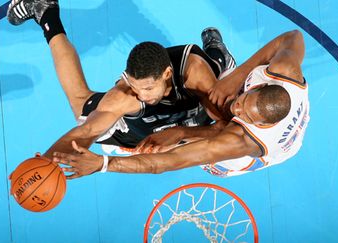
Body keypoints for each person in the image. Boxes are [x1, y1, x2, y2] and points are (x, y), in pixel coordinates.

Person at [53, 29, 310, 178]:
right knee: (221, 92)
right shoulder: (285, 70)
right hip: (259, 107)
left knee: (200, 129)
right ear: (265, 84)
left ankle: (219, 64)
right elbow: (292, 37)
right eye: (243, 99)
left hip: (257, 153)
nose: (237, 108)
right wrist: (238, 77)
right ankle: (221, 61)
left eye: (243, 114)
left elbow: (165, 163)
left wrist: (103, 164)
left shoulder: (239, 140)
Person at [7, 0, 236, 159]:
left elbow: (226, 127)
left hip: (195, 109)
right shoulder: (127, 94)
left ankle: (217, 53)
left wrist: (181, 133)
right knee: (81, 107)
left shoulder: (195, 75)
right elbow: (86, 133)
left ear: (167, 75)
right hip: (145, 127)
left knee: (220, 85)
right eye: (136, 88)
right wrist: (48, 161)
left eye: (147, 88)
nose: (142, 96)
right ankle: (45, 11)